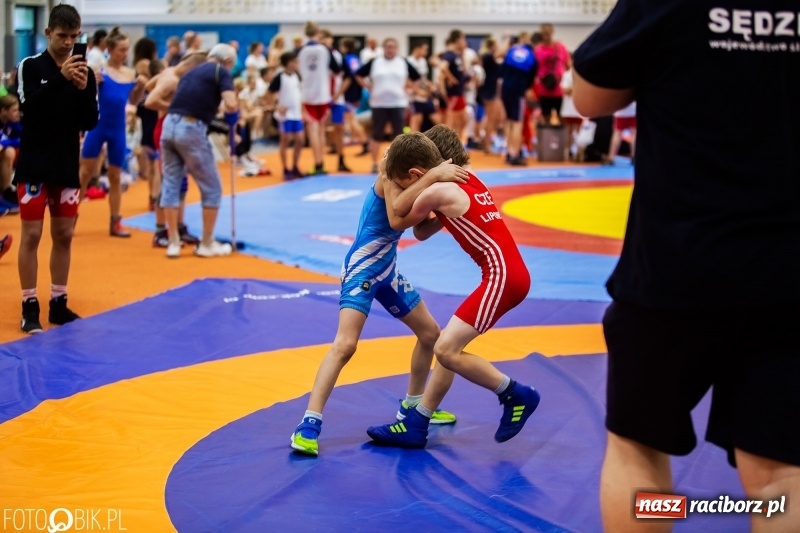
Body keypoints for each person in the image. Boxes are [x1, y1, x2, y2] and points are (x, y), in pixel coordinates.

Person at [571, 2, 800, 532]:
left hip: (677, 265)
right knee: (780, 472)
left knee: (639, 448)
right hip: (788, 269)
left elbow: (589, 96)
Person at [366, 129, 539, 448]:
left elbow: (398, 216)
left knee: (445, 349)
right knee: (448, 345)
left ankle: (515, 394)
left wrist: (390, 175)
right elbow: (422, 231)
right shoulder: (470, 178)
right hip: (508, 274)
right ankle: (418, 422)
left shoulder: (440, 189)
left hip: (502, 277)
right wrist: (433, 182)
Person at [289, 153, 469, 457]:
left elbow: (420, 231)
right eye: (423, 175)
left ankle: (412, 406)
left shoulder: (413, 176)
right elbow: (398, 218)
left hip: (387, 269)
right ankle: (308, 423)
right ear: (414, 171)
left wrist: (449, 210)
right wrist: (434, 178)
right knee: (345, 345)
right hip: (363, 269)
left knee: (430, 334)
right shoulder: (389, 174)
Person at [15, 3, 98, 333]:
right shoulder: (31, 66)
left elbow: (89, 120)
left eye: (73, 37)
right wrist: (60, 81)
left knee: (64, 234)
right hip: (34, 163)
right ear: (48, 33)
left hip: (65, 164)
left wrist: (79, 89)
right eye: (62, 36)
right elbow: (29, 109)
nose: (67, 43)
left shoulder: (85, 73)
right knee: (32, 234)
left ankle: (58, 302)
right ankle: (28, 304)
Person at [159, 43, 238, 259]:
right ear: (228, 62)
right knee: (212, 187)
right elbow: (230, 103)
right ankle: (206, 243)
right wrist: (235, 111)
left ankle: (173, 242)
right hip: (190, 128)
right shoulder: (220, 72)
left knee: (171, 183)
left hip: (169, 126)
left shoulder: (192, 72)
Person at [79, 27, 146, 238]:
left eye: (127, 50)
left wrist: (140, 89)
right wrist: (91, 84)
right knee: (84, 173)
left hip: (118, 129)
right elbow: (84, 98)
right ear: (110, 49)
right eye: (121, 50)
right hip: (98, 126)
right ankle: (69, 217)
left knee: (116, 176)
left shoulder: (130, 74)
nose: (125, 54)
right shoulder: (100, 71)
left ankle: (115, 221)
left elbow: (133, 102)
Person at [144, 51, 207, 248]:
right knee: (170, 182)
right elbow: (149, 101)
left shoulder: (169, 72)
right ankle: (160, 230)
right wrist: (174, 107)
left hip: (171, 127)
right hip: (166, 128)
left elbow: (147, 86)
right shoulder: (171, 79)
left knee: (181, 181)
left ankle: (179, 226)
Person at [356, 37, 421, 174]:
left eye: (393, 47)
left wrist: (410, 89)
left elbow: (416, 77)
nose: (390, 49)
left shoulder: (402, 62)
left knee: (399, 135)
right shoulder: (375, 62)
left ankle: (398, 164)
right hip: (379, 103)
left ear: (396, 49)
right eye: (388, 47)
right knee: (376, 134)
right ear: (384, 48)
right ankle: (374, 163)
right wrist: (368, 87)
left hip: (397, 103)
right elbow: (359, 74)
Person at [297, 21, 340, 176]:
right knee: (320, 130)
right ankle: (321, 162)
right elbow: (337, 70)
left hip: (307, 94)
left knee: (314, 131)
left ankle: (318, 163)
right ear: (318, 32)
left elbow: (297, 72)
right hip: (323, 94)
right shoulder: (325, 50)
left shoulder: (300, 50)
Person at [499, 32, 537, 166]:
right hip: (518, 90)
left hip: (506, 88)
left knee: (509, 121)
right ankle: (515, 153)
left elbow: (502, 70)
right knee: (517, 123)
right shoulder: (531, 55)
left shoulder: (510, 51)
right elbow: (532, 76)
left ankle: (509, 151)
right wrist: (526, 88)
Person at [268, 51, 304, 180]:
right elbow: (269, 93)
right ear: (289, 63)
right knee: (286, 140)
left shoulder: (297, 76)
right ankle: (285, 168)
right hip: (286, 115)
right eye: (295, 62)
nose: (297, 64)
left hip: (297, 114)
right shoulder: (280, 77)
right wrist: (277, 106)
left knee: (300, 140)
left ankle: (295, 166)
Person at [319, 29, 350, 173]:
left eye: (327, 38)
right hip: (320, 97)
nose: (324, 41)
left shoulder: (338, 56)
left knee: (339, 128)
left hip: (336, 97)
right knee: (318, 128)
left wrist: (338, 93)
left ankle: (341, 159)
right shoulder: (317, 56)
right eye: (321, 38)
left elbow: (348, 77)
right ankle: (319, 162)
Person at [533, 23, 569, 125]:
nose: (546, 36)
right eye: (543, 34)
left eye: (547, 33)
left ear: (552, 33)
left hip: (559, 89)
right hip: (543, 88)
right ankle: (547, 139)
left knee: (562, 117)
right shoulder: (538, 50)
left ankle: (562, 139)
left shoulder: (560, 47)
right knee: (546, 117)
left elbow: (568, 64)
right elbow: (534, 69)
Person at [438, 30, 469, 142]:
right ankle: (449, 147)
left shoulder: (457, 55)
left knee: (463, 120)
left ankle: (457, 145)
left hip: (459, 92)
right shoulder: (449, 54)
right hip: (453, 93)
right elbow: (442, 67)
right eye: (463, 39)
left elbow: (463, 73)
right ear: (457, 39)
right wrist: (452, 79)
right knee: (452, 123)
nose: (465, 42)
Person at [406, 40, 440, 133]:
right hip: (414, 97)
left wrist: (431, 86)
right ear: (417, 49)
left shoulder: (423, 61)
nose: (426, 52)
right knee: (416, 121)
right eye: (425, 49)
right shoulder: (408, 61)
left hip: (425, 96)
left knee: (437, 120)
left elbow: (423, 79)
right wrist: (418, 91)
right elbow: (407, 81)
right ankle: (412, 145)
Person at [0, 94, 22, 214]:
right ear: (3, 111)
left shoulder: (11, 123)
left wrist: (5, 142)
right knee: (8, 151)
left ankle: (6, 192)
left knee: (9, 150)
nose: (17, 113)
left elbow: (25, 138)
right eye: (14, 110)